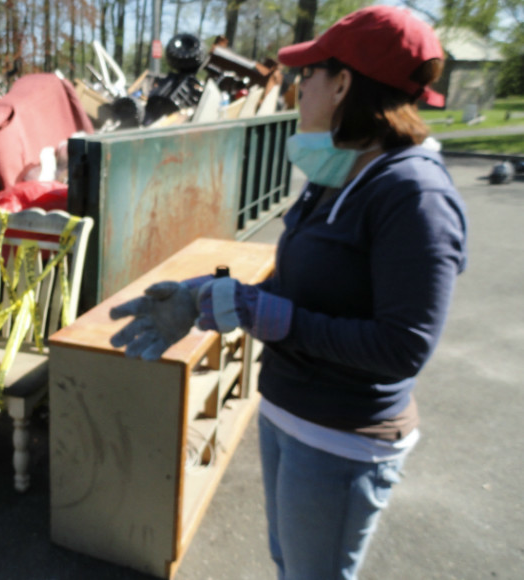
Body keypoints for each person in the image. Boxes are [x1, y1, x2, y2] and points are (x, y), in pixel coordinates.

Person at [109, 6, 468, 579]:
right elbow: (296, 285)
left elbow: (403, 346)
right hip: (290, 413)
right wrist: (208, 295)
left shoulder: (414, 195)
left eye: (309, 76)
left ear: (344, 83)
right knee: (289, 565)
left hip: (343, 441)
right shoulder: (343, 172)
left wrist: (268, 315)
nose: (298, 90)